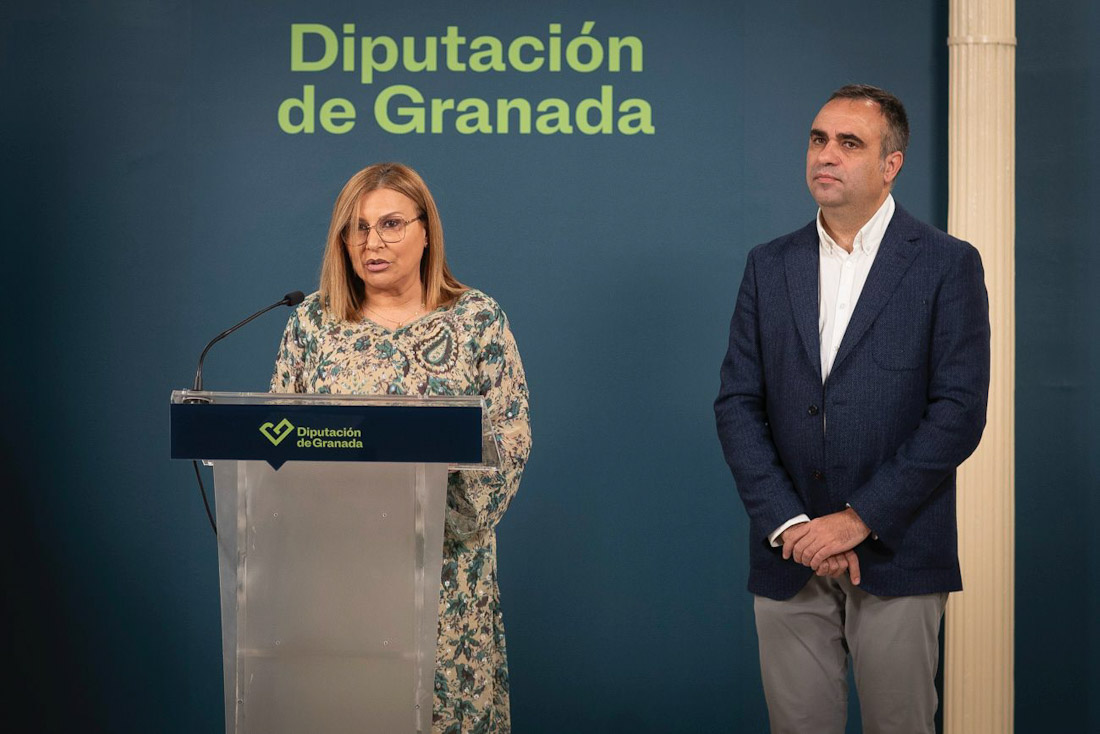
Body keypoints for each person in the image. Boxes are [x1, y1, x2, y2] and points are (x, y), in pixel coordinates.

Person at [714, 85, 990, 733]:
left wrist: (858, 519)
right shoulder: (768, 265)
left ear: (891, 165)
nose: (826, 154)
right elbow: (737, 404)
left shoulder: (947, 265)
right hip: (789, 556)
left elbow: (958, 413)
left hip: (898, 553)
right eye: (818, 139)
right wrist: (792, 525)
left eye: (849, 143)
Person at [271, 162, 531, 734]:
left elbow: (509, 437)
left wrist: (442, 504)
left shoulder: (476, 320)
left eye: (390, 224)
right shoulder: (312, 323)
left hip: (445, 579)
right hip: (338, 574)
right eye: (358, 228)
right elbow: (278, 439)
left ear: (426, 231)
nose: (372, 243)